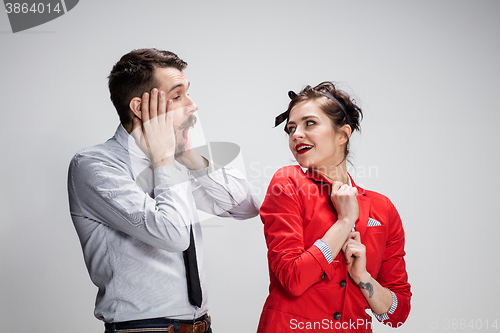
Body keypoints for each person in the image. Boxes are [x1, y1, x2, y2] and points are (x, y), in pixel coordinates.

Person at [67, 48, 260, 333]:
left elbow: (247, 207)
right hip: (143, 329)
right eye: (178, 96)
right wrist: (164, 159)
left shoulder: (171, 161)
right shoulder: (95, 165)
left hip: (200, 326)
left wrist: (190, 157)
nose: (193, 106)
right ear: (140, 108)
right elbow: (173, 234)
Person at [257, 82, 411, 332]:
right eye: (291, 128)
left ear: (342, 134)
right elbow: (292, 279)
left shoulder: (383, 209)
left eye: (310, 123)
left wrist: (363, 278)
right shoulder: (287, 183)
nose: (296, 134)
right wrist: (344, 222)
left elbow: (398, 313)